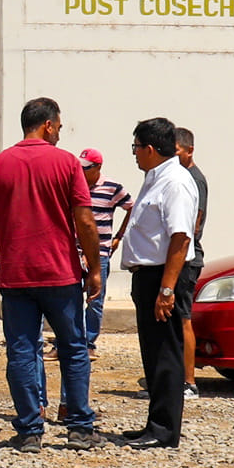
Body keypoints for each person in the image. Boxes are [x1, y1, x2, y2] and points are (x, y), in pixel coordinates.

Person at [0, 99, 107, 451]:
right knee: (73, 348)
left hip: (15, 277)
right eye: (59, 127)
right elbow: (85, 221)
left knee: (22, 351)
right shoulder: (66, 164)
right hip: (59, 273)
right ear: (48, 125)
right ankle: (78, 428)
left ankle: (30, 430)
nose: (60, 133)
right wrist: (93, 269)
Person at [119, 117, 200, 449]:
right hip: (148, 276)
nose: (135, 154)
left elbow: (180, 238)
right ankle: (154, 423)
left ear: (150, 149)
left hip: (163, 275)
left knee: (166, 354)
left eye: (136, 148)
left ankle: (165, 431)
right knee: (153, 354)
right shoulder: (156, 178)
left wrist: (166, 289)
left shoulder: (175, 182)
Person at [80, 148, 133, 357]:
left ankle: (89, 343)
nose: (82, 172)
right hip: (75, 253)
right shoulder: (75, 187)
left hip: (100, 254)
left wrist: (119, 236)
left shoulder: (112, 188)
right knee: (70, 300)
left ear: (98, 167)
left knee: (95, 300)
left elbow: (131, 207)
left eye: (86, 168)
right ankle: (69, 342)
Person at [174, 126, 208, 400]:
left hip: (187, 259)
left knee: (184, 319)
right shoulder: (179, 176)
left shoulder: (193, 180)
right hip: (180, 258)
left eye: (177, 151)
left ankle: (189, 382)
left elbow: (192, 225)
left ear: (189, 150)